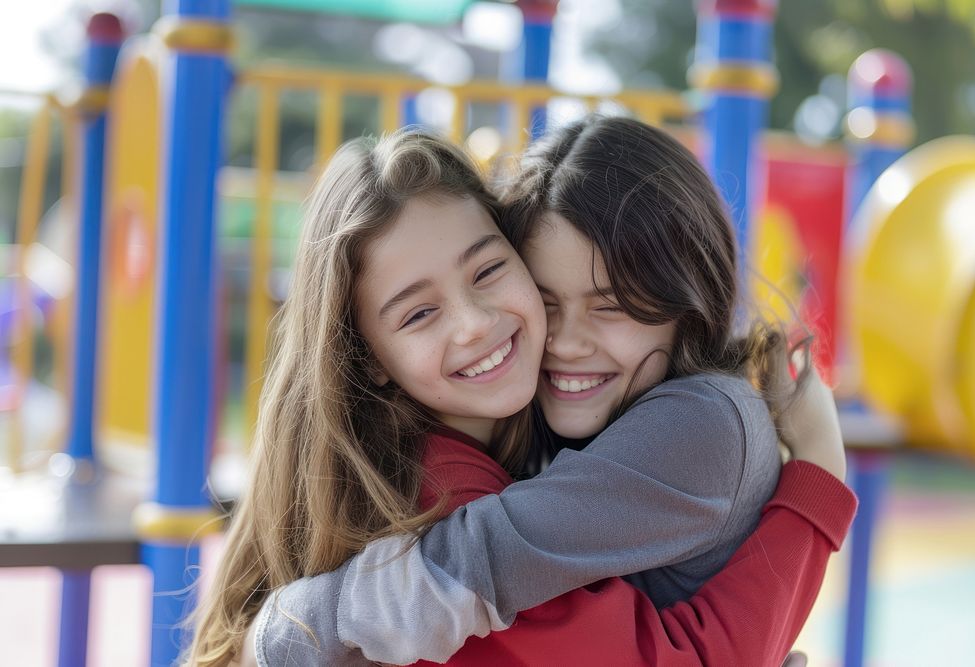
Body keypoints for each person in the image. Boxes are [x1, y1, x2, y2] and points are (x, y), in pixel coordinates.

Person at [186, 125, 854, 667]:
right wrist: (820, 468)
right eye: (417, 314)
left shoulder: (684, 423)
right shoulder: (441, 497)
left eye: (488, 270)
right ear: (369, 356)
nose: (563, 340)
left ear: (687, 301)